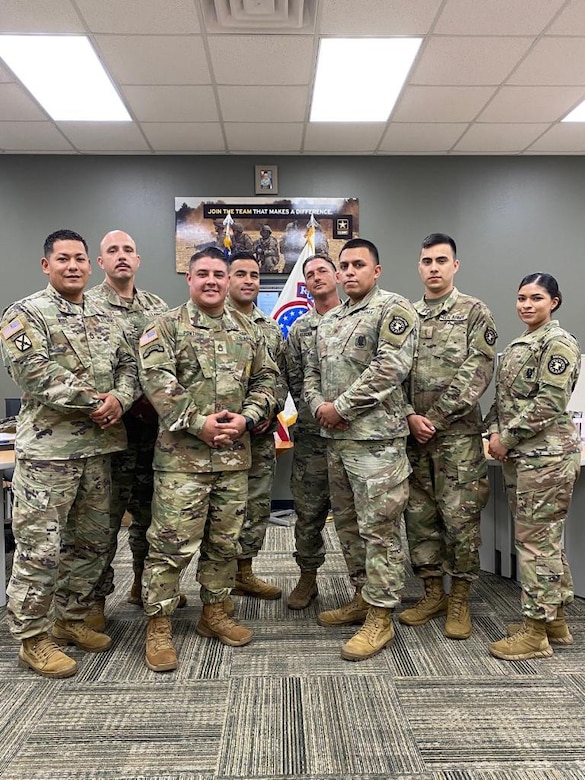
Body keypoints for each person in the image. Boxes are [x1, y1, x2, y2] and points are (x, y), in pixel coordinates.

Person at [0, 229, 137, 678]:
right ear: (47, 265)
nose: (73, 265)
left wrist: (121, 397)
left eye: (79, 258)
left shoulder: (107, 315)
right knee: (40, 549)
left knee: (92, 543)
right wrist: (99, 403)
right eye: (64, 259)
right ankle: (31, 638)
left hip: (98, 451)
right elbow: (35, 372)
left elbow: (129, 367)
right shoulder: (24, 314)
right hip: (49, 454)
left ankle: (71, 620)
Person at [138, 247, 278, 672]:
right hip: (183, 461)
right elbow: (157, 382)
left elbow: (267, 380)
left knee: (223, 545)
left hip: (235, 459)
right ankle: (159, 625)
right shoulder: (164, 327)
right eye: (204, 273)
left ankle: (214, 613)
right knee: (169, 547)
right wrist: (197, 422)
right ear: (189, 278)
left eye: (219, 273)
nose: (213, 281)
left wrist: (248, 416)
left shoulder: (249, 329)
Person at [304, 238, 418, 661]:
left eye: (358, 265)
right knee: (348, 528)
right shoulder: (331, 319)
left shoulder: (393, 308)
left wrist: (341, 408)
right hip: (337, 442)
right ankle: (361, 597)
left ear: (377, 270)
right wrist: (318, 406)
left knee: (380, 532)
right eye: (344, 265)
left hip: (377, 445)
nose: (349, 272)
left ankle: (382, 617)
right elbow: (311, 373)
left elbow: (390, 367)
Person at [399, 233, 496, 639]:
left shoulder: (475, 312)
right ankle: (432, 592)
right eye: (427, 261)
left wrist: (433, 418)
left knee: (460, 519)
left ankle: (459, 597)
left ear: (455, 265)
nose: (433, 267)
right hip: (412, 435)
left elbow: (478, 372)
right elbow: (391, 369)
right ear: (419, 267)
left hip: (456, 437)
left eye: (441, 260)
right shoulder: (403, 313)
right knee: (420, 518)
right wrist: (407, 415)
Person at [486, 273, 581, 661]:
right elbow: (503, 401)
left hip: (546, 459)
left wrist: (504, 438)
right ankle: (554, 620)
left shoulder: (558, 344)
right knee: (544, 542)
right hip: (526, 459)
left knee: (535, 546)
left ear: (554, 302)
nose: (526, 304)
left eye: (536, 298)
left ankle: (535, 633)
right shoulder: (518, 346)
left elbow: (549, 403)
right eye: (522, 297)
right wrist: (493, 429)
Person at [85, 230, 171, 630]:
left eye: (129, 251)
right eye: (112, 251)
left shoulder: (157, 307)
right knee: (102, 522)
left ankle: (143, 584)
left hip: (153, 434)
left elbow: (168, 363)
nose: (122, 257)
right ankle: (94, 601)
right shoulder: (85, 308)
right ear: (100, 262)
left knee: (150, 517)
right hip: (108, 434)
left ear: (138, 260)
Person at [225, 251, 288, 600]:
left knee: (256, 504)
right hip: (220, 437)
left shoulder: (270, 328)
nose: (249, 280)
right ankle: (216, 582)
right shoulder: (215, 320)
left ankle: (244, 571)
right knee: (221, 509)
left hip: (260, 434)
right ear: (227, 278)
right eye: (241, 274)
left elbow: (279, 379)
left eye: (254, 274)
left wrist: (267, 411)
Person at [284, 253, 341, 609]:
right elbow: (292, 377)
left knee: (355, 517)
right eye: (310, 273)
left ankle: (362, 588)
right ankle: (307, 578)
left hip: (354, 436)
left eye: (323, 270)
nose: (316, 277)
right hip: (311, 437)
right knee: (307, 514)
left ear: (336, 275)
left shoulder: (359, 320)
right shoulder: (300, 329)